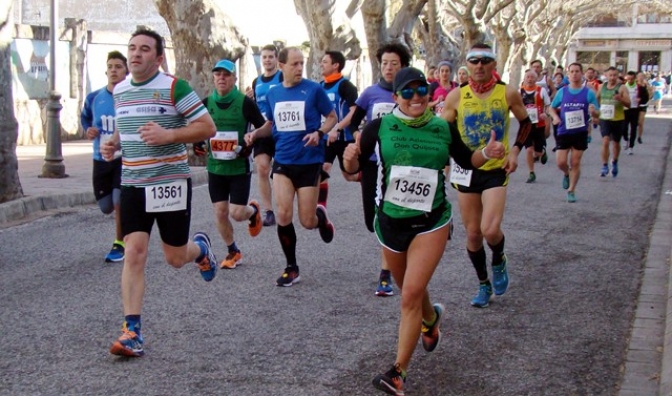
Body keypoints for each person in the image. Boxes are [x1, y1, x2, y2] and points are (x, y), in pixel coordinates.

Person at [343, 67, 505, 396]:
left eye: (422, 91)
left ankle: (398, 373)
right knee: (411, 290)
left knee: (409, 294)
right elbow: (354, 170)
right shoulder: (378, 128)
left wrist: (487, 153)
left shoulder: (443, 127)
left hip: (431, 221)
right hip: (390, 222)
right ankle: (431, 320)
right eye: (408, 92)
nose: (416, 97)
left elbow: (466, 159)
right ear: (396, 97)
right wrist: (348, 159)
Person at [101, 28, 218, 358]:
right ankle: (132, 332)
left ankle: (201, 249)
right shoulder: (120, 90)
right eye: (132, 48)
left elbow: (207, 127)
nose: (135, 54)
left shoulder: (173, 87)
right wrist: (115, 144)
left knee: (175, 258)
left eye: (144, 49)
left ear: (159, 57)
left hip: (169, 183)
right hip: (134, 183)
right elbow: (131, 131)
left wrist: (168, 135)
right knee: (134, 251)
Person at [440, 43, 531, 308]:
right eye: (474, 61)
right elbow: (446, 132)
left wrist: (514, 152)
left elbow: (526, 123)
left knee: (490, 230)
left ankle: (499, 259)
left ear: (493, 65)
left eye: (485, 61)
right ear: (467, 65)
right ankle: (483, 283)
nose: (479, 66)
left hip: (495, 171)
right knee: (472, 234)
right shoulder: (456, 96)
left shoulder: (508, 92)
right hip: (466, 173)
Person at [244, 47, 337, 287]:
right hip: (283, 161)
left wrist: (319, 133)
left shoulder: (313, 90)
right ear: (282, 66)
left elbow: (332, 118)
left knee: (306, 221)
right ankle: (291, 267)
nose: (298, 68)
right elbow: (270, 124)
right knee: (284, 213)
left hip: (308, 161)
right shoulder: (274, 93)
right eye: (294, 64)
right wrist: (255, 133)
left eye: (301, 63)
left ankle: (320, 217)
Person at [347, 42, 412, 297]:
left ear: (403, 66)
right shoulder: (370, 93)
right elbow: (353, 122)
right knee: (371, 221)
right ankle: (396, 256)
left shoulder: (410, 93)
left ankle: (386, 274)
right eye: (384, 63)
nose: (388, 68)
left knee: (389, 218)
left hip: (399, 166)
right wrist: (358, 139)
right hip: (373, 164)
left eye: (394, 63)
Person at [195, 59, 272, 269]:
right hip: (216, 168)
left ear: (234, 79)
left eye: (226, 75)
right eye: (218, 74)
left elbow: (264, 127)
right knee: (220, 211)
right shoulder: (206, 103)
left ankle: (253, 212)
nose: (221, 78)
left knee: (237, 213)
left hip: (238, 167)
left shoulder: (244, 102)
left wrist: (252, 139)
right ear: (213, 77)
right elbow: (196, 129)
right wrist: (197, 144)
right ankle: (233, 251)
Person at [81, 51, 128, 263]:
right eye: (110, 66)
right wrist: (88, 130)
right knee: (106, 206)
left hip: (123, 159)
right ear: (106, 71)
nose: (114, 70)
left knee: (119, 201)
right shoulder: (94, 98)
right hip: (100, 159)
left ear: (126, 71)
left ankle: (119, 243)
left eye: (118, 66)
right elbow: (86, 121)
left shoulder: (129, 97)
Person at [548, 63, 601, 203]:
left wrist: (593, 112)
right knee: (560, 162)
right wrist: (555, 117)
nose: (574, 74)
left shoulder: (588, 93)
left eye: (577, 71)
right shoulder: (562, 92)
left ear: (581, 73)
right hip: (564, 130)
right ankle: (566, 173)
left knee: (575, 162)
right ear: (568, 74)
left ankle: (571, 190)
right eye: (572, 71)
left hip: (580, 131)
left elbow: (598, 113)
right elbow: (551, 108)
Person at [245, 44, 282, 227]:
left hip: (282, 130)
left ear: (276, 59)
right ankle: (268, 211)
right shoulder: (256, 82)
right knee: (261, 168)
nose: (267, 60)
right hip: (262, 130)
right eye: (264, 57)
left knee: (282, 173)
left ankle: (287, 204)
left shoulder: (282, 77)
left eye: (270, 57)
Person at [318, 50, 360, 208]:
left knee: (349, 175)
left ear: (336, 65)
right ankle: (321, 209)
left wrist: (337, 128)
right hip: (326, 138)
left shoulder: (345, 86)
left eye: (325, 62)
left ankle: (368, 178)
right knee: (323, 169)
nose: (321, 64)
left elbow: (354, 111)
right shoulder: (320, 86)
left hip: (344, 137)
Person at [596, 66, 630, 178]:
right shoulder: (601, 87)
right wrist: (595, 112)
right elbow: (596, 100)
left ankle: (614, 161)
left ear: (618, 76)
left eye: (615, 75)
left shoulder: (622, 88)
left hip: (618, 119)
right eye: (610, 75)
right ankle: (604, 165)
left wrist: (621, 99)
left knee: (615, 143)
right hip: (605, 118)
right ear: (606, 75)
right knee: (605, 141)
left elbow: (629, 104)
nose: (612, 78)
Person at [520, 69, 551, 183]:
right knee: (529, 150)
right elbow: (516, 106)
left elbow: (548, 105)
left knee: (537, 152)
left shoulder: (541, 90)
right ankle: (531, 172)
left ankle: (542, 152)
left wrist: (545, 113)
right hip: (526, 125)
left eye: (532, 77)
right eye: (527, 77)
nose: (529, 79)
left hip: (539, 125)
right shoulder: (520, 91)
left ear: (536, 79)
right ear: (524, 78)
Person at [623, 71, 639, 154]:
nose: (630, 80)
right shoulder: (623, 87)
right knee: (624, 127)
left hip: (635, 109)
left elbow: (646, 96)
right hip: (625, 109)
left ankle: (631, 147)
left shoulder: (638, 87)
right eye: (628, 79)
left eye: (632, 79)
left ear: (634, 79)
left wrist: (640, 100)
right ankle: (626, 140)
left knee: (633, 129)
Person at [636, 71, 652, 143]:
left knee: (641, 122)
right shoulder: (634, 85)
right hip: (635, 105)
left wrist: (649, 90)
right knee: (634, 121)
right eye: (639, 76)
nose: (641, 77)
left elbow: (650, 95)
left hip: (643, 105)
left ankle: (639, 136)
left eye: (642, 76)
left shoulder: (647, 85)